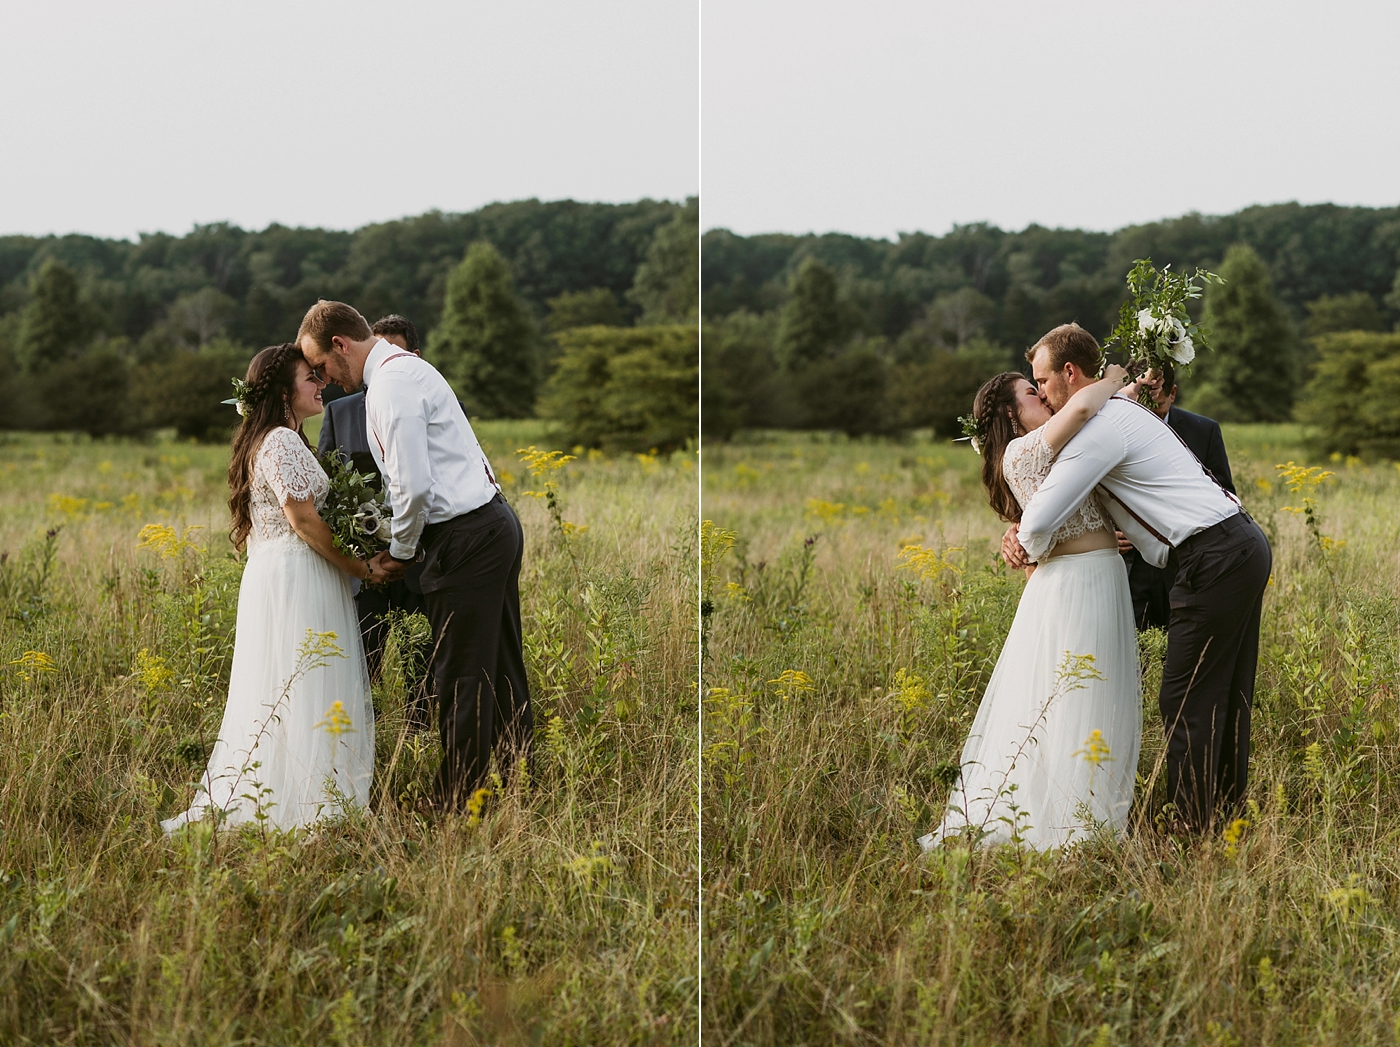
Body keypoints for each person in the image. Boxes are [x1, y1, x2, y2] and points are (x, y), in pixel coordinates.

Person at [1004, 323, 1271, 833]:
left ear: (1069, 373)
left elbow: (1041, 520)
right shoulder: (1117, 411)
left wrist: (1026, 544)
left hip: (1213, 555)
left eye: (1041, 379)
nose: (1039, 391)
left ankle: (1192, 832)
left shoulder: (1099, 430)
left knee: (1185, 698)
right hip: (1238, 544)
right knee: (1225, 692)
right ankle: (1225, 820)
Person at [297, 300, 532, 812]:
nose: (327, 380)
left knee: (461, 673)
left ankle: (458, 802)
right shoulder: (404, 373)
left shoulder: (392, 385)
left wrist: (399, 552)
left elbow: (413, 486)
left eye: (322, 367)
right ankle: (518, 781)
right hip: (487, 525)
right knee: (497, 664)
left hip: (466, 537)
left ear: (341, 345)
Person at [922, 362, 1144, 850]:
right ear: (1009, 410)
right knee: (1075, 697)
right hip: (1075, 585)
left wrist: (1133, 388)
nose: (1043, 397)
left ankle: (1089, 813)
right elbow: (1086, 403)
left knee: (1093, 695)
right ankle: (1067, 824)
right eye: (1031, 391)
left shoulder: (1053, 449)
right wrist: (1113, 376)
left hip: (1097, 576)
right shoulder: (1025, 450)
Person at [163, 343, 379, 832]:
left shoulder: (282, 439)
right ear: (283, 390)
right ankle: (305, 806)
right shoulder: (280, 441)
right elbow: (302, 519)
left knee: (297, 682)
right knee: (303, 682)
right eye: (310, 377)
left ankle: (305, 792)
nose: (320, 384)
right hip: (296, 576)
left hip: (285, 572)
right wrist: (360, 567)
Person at [317, 314, 432, 727]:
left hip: (420, 557)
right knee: (365, 660)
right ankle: (371, 736)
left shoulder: (431, 397)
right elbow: (328, 486)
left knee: (422, 659)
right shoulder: (339, 410)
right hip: (366, 564)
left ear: (413, 356)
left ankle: (419, 733)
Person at [1117, 363, 1236, 631]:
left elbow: (1225, 495)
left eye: (1156, 406)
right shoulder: (1114, 430)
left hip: (1184, 563)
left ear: (1172, 393)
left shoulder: (1204, 431)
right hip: (1131, 567)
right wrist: (1109, 534)